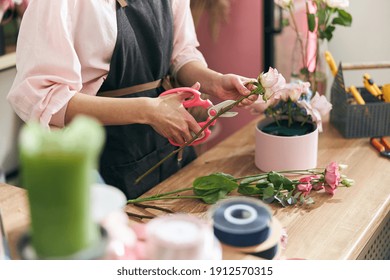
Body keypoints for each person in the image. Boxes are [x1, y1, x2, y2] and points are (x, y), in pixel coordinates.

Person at [7, 0, 257, 199]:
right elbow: (41, 96)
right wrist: (148, 111)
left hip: (166, 150)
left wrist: (215, 81)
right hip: (98, 159)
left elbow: (180, 53)